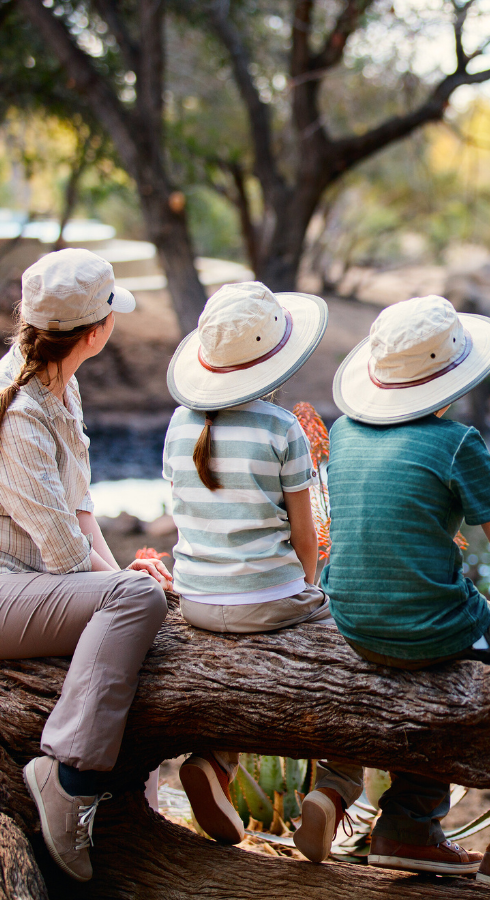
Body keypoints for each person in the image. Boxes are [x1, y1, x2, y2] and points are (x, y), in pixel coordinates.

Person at [0, 249, 173, 883]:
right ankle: (68, 776)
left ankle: (124, 802)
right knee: (138, 604)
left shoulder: (60, 383)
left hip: (9, 589)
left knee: (140, 600)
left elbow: (79, 511)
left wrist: (125, 573)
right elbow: (62, 554)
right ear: (95, 330)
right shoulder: (18, 412)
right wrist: (127, 590)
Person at [325, 294, 490, 896]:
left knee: (440, 662)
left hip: (351, 621)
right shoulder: (456, 442)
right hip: (431, 626)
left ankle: (408, 826)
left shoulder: (343, 431)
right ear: (451, 376)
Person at [162, 281, 363, 859]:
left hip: (197, 599)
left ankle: (215, 761)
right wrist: (308, 590)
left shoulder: (179, 424)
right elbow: (305, 536)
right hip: (272, 599)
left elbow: (184, 515)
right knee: (351, 667)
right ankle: (335, 788)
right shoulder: (282, 430)